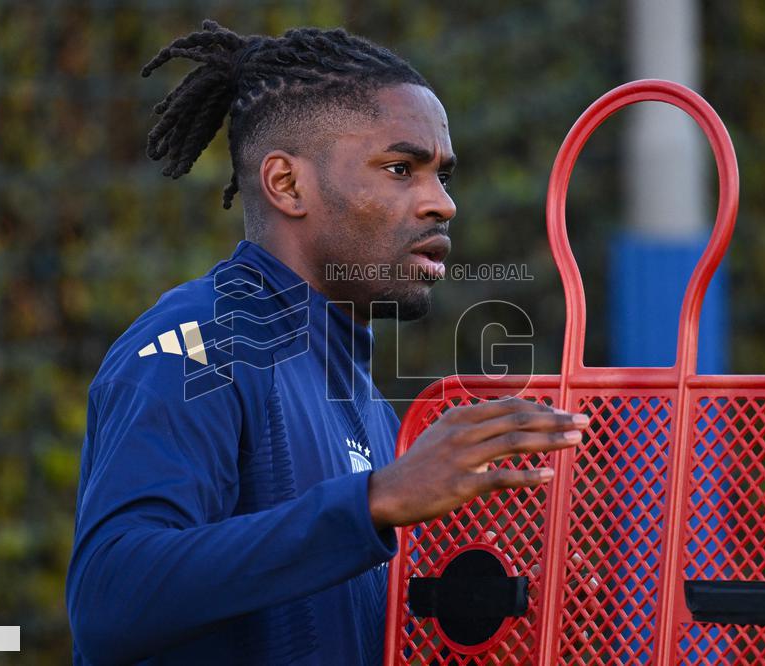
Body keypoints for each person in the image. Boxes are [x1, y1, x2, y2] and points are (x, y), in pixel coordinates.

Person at [65, 20, 588, 665]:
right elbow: (109, 597)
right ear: (286, 184)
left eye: (441, 175)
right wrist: (376, 500)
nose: (441, 204)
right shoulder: (198, 345)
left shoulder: (365, 403)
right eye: (401, 168)